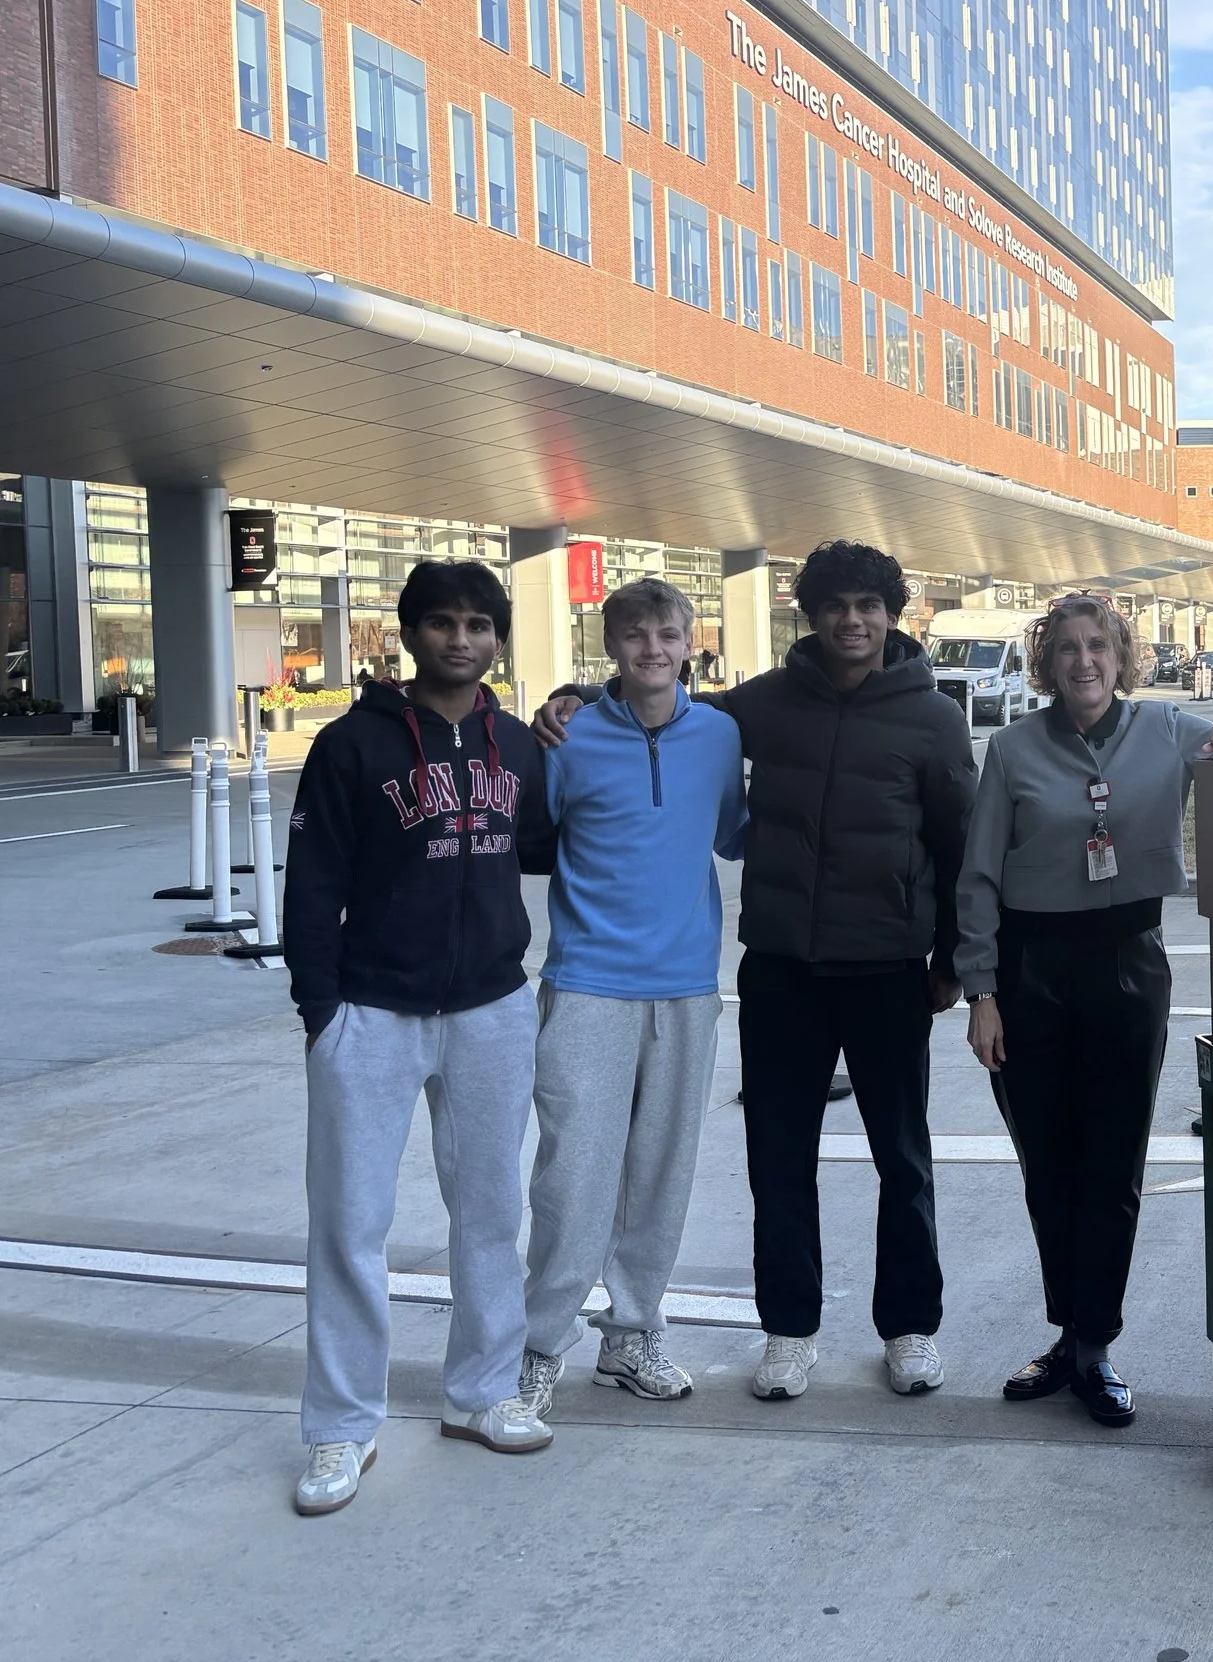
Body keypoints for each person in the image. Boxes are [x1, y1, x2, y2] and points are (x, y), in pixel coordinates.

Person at [535, 540, 973, 1401]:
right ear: (808, 615)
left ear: (892, 614)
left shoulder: (933, 717)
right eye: (835, 605)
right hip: (780, 966)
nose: (852, 620)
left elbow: (960, 844)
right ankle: (788, 1332)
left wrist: (953, 958)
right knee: (778, 1157)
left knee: (904, 1157)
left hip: (887, 963)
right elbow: (657, 700)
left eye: (868, 605)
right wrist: (576, 695)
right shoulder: (760, 708)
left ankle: (910, 1326)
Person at [956, 594, 1213, 1427]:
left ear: (1121, 655)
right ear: (1047, 664)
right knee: (1048, 1165)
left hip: (1129, 968)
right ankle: (1068, 1332)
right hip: (1032, 973)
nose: (1082, 662)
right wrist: (982, 993)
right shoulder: (1012, 749)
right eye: (1065, 648)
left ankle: (1095, 1341)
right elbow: (979, 879)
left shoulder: (1170, 730)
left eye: (1097, 645)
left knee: (1112, 1166)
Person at [282, 561, 555, 1516]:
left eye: (479, 624)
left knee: (488, 1212)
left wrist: (578, 732)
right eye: (441, 622)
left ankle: (481, 1394)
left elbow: (547, 846)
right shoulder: (351, 746)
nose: (461, 639)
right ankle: (341, 1426)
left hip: (490, 1006)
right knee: (350, 1225)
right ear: (411, 633)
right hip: (373, 1011)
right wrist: (323, 1016)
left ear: (497, 638)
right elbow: (312, 883)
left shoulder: (516, 746)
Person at [514, 579, 747, 1420]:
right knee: (571, 1176)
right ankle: (539, 1346)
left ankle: (634, 1333)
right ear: (610, 644)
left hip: (687, 988)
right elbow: (537, 835)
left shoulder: (720, 735)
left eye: (668, 633)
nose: (653, 647)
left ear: (692, 642)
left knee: (660, 1173)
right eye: (636, 635)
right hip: (588, 984)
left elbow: (732, 830)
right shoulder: (567, 736)